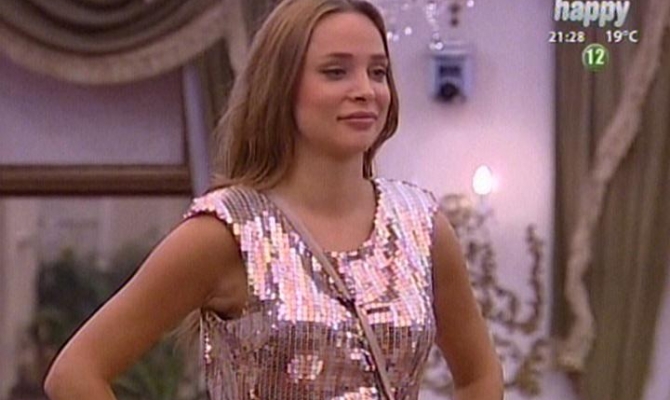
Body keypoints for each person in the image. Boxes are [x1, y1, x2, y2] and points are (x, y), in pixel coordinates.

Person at [44, 0, 503, 399]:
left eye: (378, 72)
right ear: (282, 87)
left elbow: (480, 375)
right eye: (336, 71)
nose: (365, 90)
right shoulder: (227, 231)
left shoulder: (420, 225)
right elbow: (75, 373)